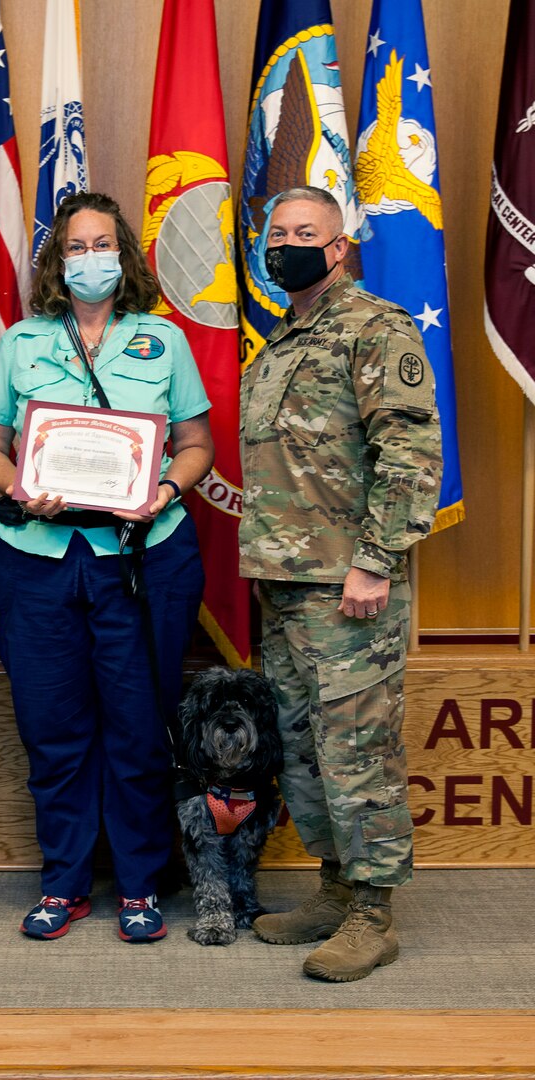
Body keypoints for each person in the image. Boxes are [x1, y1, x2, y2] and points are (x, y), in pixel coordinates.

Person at [0, 192, 213, 943]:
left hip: (142, 558)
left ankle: (139, 884)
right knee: (53, 728)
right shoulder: (20, 342)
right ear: (56, 261)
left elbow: (196, 442)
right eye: (75, 248)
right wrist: (17, 488)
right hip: (37, 559)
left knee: (139, 728)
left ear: (125, 255)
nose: (89, 259)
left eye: (101, 244)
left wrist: (165, 489)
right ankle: (65, 882)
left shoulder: (162, 341)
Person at [240, 186, 443, 981]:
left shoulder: (373, 328)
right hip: (285, 584)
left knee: (358, 750)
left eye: (304, 232)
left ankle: (373, 914)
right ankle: (334, 886)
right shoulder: (281, 343)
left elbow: (410, 456)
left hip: (347, 584)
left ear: (339, 246)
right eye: (276, 231)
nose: (286, 242)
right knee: (301, 750)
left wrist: (375, 560)